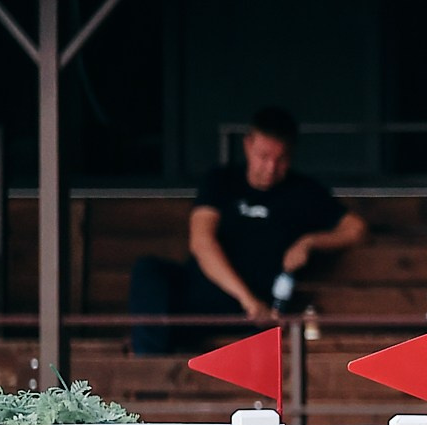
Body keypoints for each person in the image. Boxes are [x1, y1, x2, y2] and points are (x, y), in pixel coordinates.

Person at [129, 106, 365, 356]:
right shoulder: (221, 181)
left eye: (281, 159)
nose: (271, 168)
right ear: (248, 145)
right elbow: (201, 242)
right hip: (206, 299)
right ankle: (149, 367)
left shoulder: (303, 192)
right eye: (264, 156)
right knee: (148, 270)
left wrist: (311, 241)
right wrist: (247, 300)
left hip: (259, 314)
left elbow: (357, 229)